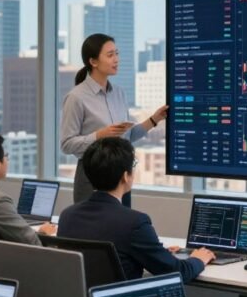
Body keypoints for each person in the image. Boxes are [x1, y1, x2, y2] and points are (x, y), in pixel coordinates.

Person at [57, 137, 214, 282]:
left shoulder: (67, 216)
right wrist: (198, 259)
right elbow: (178, 272)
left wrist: (157, 251)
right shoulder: (134, 223)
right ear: (126, 176)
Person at [60, 33, 169, 204]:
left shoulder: (119, 93)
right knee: (92, 230)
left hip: (120, 177)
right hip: (91, 178)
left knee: (122, 228)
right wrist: (99, 135)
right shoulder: (76, 97)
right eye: (110, 55)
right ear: (93, 61)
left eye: (116, 53)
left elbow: (128, 136)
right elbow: (66, 144)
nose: (116, 59)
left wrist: (154, 119)